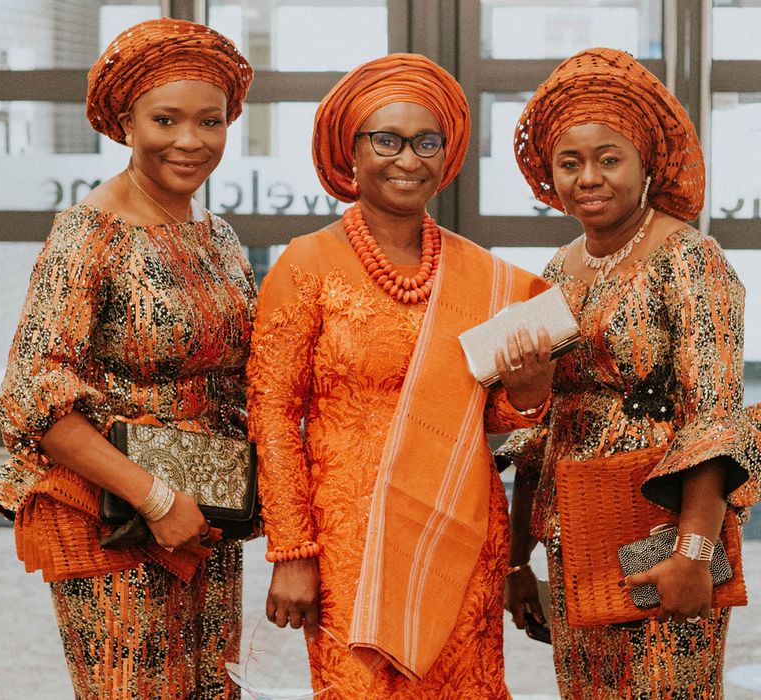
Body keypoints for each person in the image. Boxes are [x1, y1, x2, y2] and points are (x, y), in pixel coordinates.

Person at [246, 53, 554, 697]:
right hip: (347, 547)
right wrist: (293, 551)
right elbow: (272, 413)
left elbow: (487, 410)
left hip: (458, 531)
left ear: (448, 155)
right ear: (349, 153)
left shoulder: (482, 278)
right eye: (386, 139)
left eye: (426, 141)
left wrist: (528, 394)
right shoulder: (307, 266)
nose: (407, 159)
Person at [0, 18, 256, 699]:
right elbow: (33, 394)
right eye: (166, 119)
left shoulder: (218, 236)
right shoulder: (89, 234)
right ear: (126, 121)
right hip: (116, 521)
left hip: (207, 514)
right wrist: (154, 495)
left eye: (211, 120)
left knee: (208, 690)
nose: (190, 140)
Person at [499, 47, 761, 698]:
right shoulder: (560, 269)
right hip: (576, 538)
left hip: (662, 535)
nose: (588, 177)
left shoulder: (692, 260)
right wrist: (516, 560)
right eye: (570, 162)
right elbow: (546, 424)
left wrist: (695, 554)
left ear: (645, 163)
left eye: (608, 158)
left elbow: (716, 417)